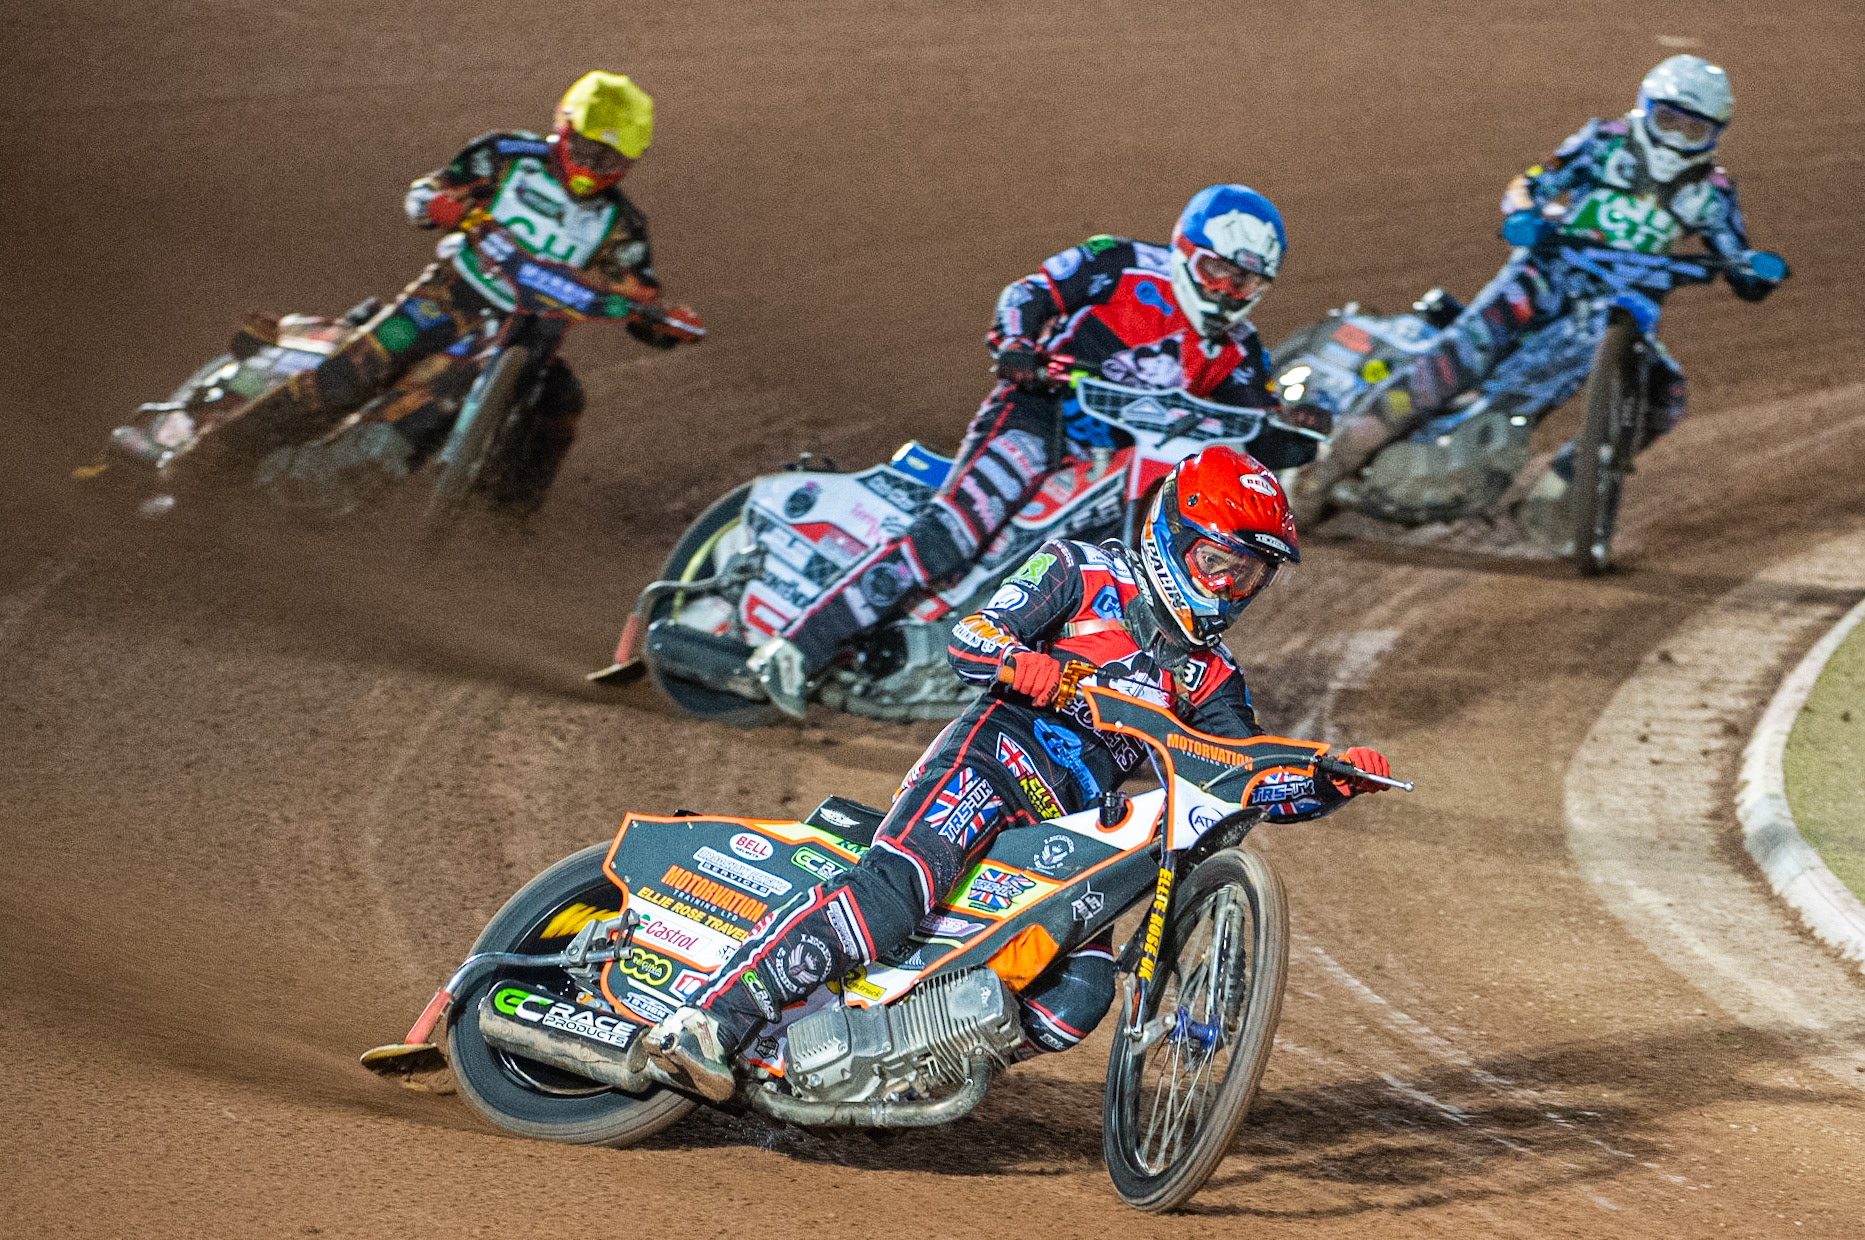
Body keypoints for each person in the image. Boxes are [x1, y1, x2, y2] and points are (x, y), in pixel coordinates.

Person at [642, 445, 1390, 1101]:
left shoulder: (1213, 677)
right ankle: (711, 1019)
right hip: (989, 762)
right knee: (894, 896)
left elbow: (1238, 771)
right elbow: (969, 635)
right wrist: (1018, 661)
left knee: (1078, 995)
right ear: (1174, 535)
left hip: (1070, 829)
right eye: (1217, 563)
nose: (1229, 587)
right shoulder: (1081, 569)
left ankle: (902, 1073)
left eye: (1248, 576)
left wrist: (1327, 781)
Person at [747, 184, 1327, 718]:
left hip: (1115, 465)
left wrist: (1296, 429)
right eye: (1216, 271)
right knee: (955, 530)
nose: (1226, 292)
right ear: (1185, 248)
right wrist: (1018, 346)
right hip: (1039, 415)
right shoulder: (1120, 262)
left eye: (1244, 283)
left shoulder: (1241, 348)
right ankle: (796, 646)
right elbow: (1030, 292)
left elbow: (1253, 425)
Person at [1293, 54, 1787, 535]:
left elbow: (1735, 253)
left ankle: (1558, 493)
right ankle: (1326, 472)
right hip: (1549, 273)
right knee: (1451, 364)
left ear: (1714, 133)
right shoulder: (1604, 141)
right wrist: (1525, 210)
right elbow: (1532, 181)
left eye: (1693, 128)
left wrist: (1753, 273)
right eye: (1669, 119)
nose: (1677, 136)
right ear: (1645, 108)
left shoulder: (1714, 192)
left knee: (1667, 397)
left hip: (1625, 306)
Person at [187, 71, 701, 506]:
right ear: (563, 128)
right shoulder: (505, 155)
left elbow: (640, 298)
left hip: (531, 337)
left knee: (559, 403)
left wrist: (669, 325)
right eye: (587, 149)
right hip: (450, 296)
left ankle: (503, 527)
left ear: (630, 164)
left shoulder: (622, 224)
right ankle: (209, 460)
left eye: (610, 161)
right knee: (343, 379)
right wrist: (437, 205)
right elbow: (427, 192)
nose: (593, 168)